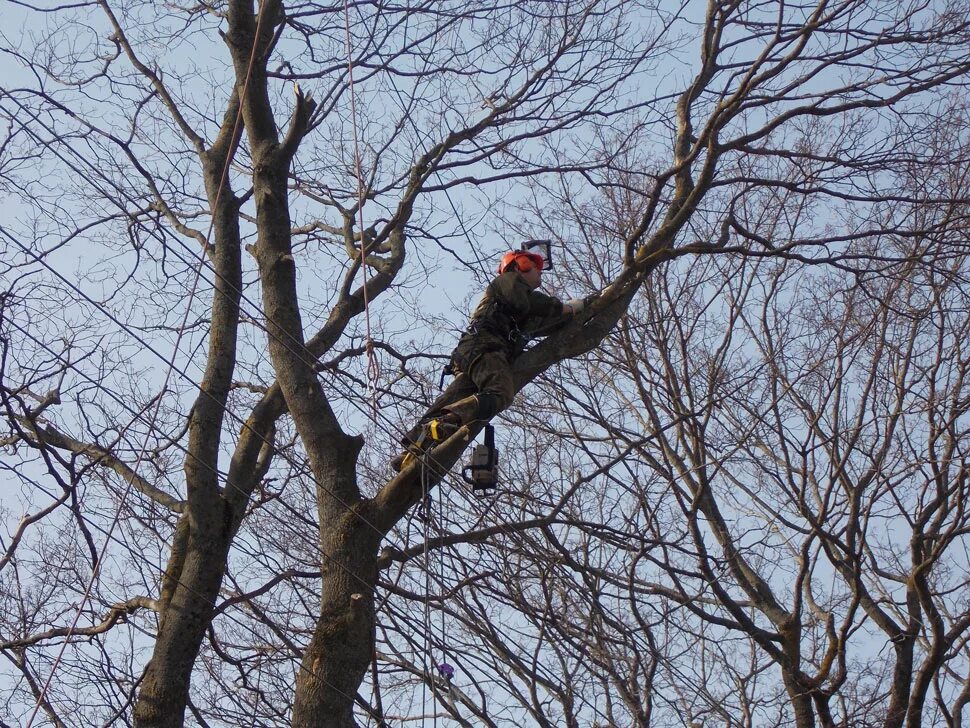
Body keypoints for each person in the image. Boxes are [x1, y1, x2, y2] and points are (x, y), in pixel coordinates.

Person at [392, 248, 589, 471]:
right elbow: (534, 303)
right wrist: (562, 307)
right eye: (536, 269)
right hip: (485, 346)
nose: (541, 275)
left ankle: (412, 450)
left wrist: (576, 311)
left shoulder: (519, 306)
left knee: (453, 400)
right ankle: (448, 422)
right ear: (520, 265)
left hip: (474, 353)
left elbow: (543, 323)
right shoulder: (508, 282)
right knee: (500, 392)